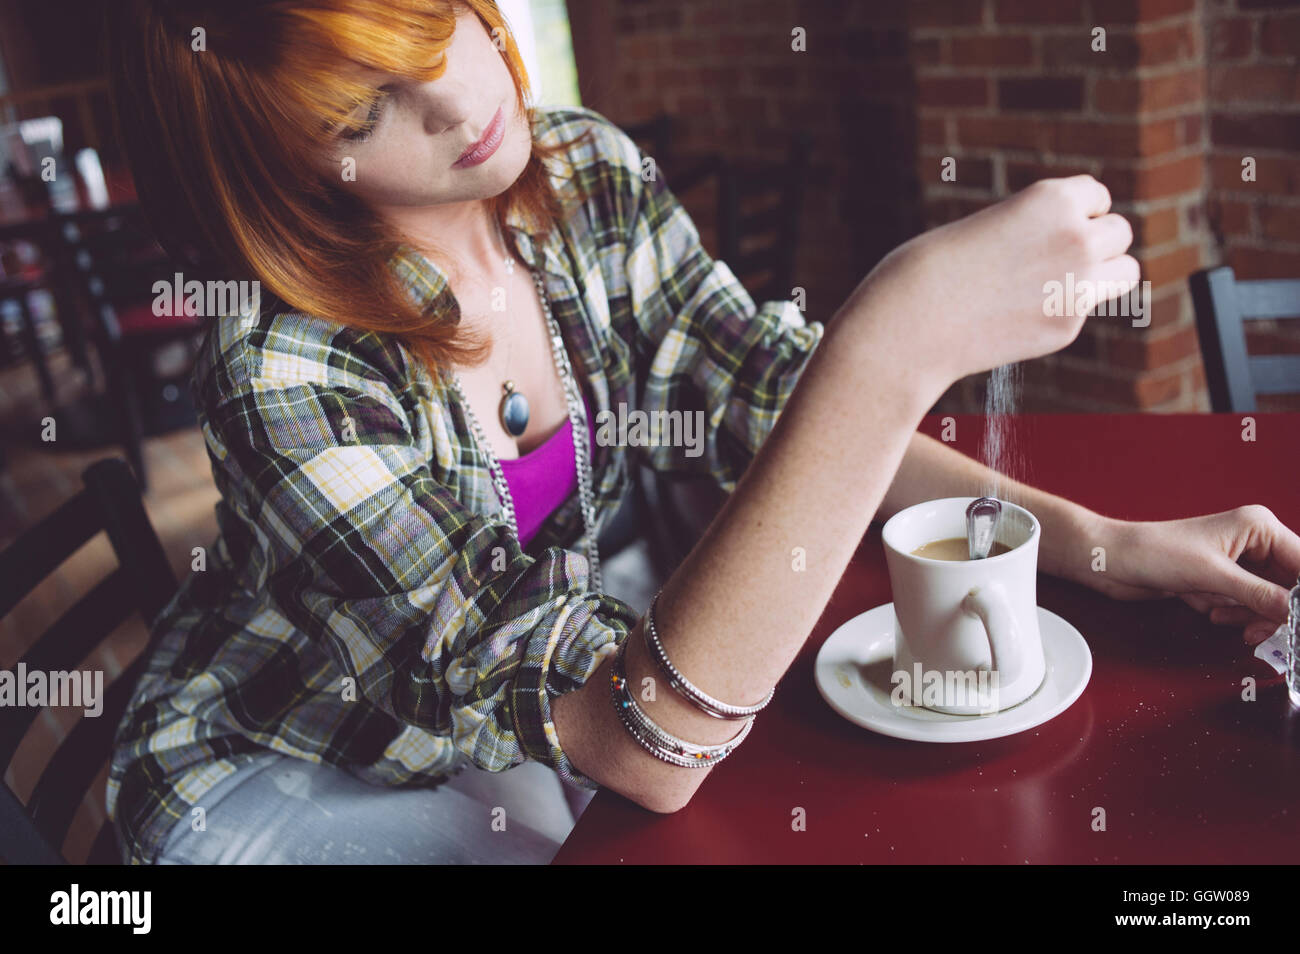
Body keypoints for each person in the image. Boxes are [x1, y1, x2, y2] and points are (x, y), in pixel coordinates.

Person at [103, 0, 1300, 865]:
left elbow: (770, 405)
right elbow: (645, 750)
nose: (462, 100)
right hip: (302, 770)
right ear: (265, 168)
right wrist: (890, 344)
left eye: (439, 25)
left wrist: (1104, 546)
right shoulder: (280, 371)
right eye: (366, 105)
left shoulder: (582, 174)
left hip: (512, 714)